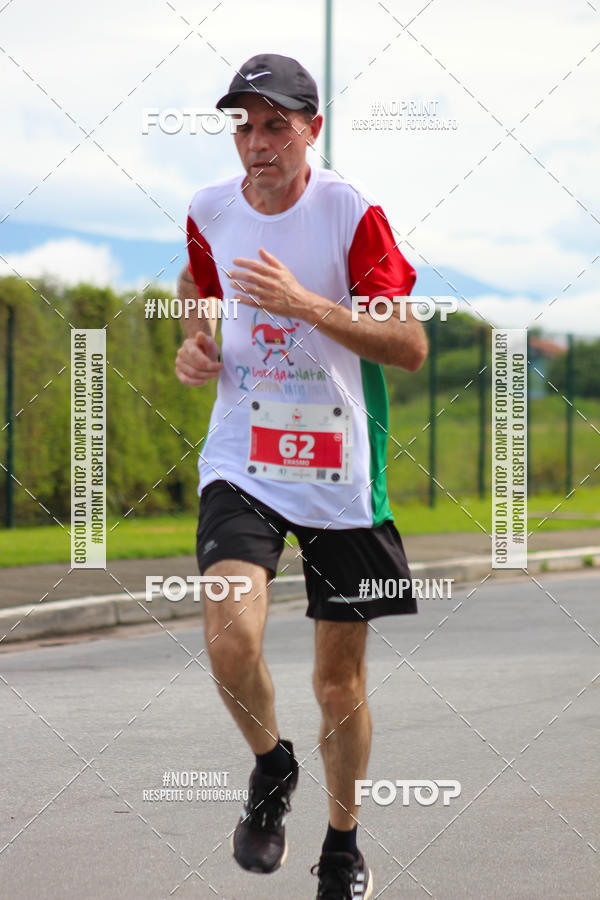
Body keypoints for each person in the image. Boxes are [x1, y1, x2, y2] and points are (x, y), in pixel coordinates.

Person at [175, 52, 427, 900]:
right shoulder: (210, 208)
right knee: (229, 636)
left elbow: (410, 346)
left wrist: (303, 305)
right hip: (242, 458)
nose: (257, 142)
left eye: (276, 123)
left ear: (311, 129)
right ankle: (270, 765)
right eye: (243, 124)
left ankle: (344, 844)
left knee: (335, 682)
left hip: (339, 473)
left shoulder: (349, 212)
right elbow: (197, 281)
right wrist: (197, 337)